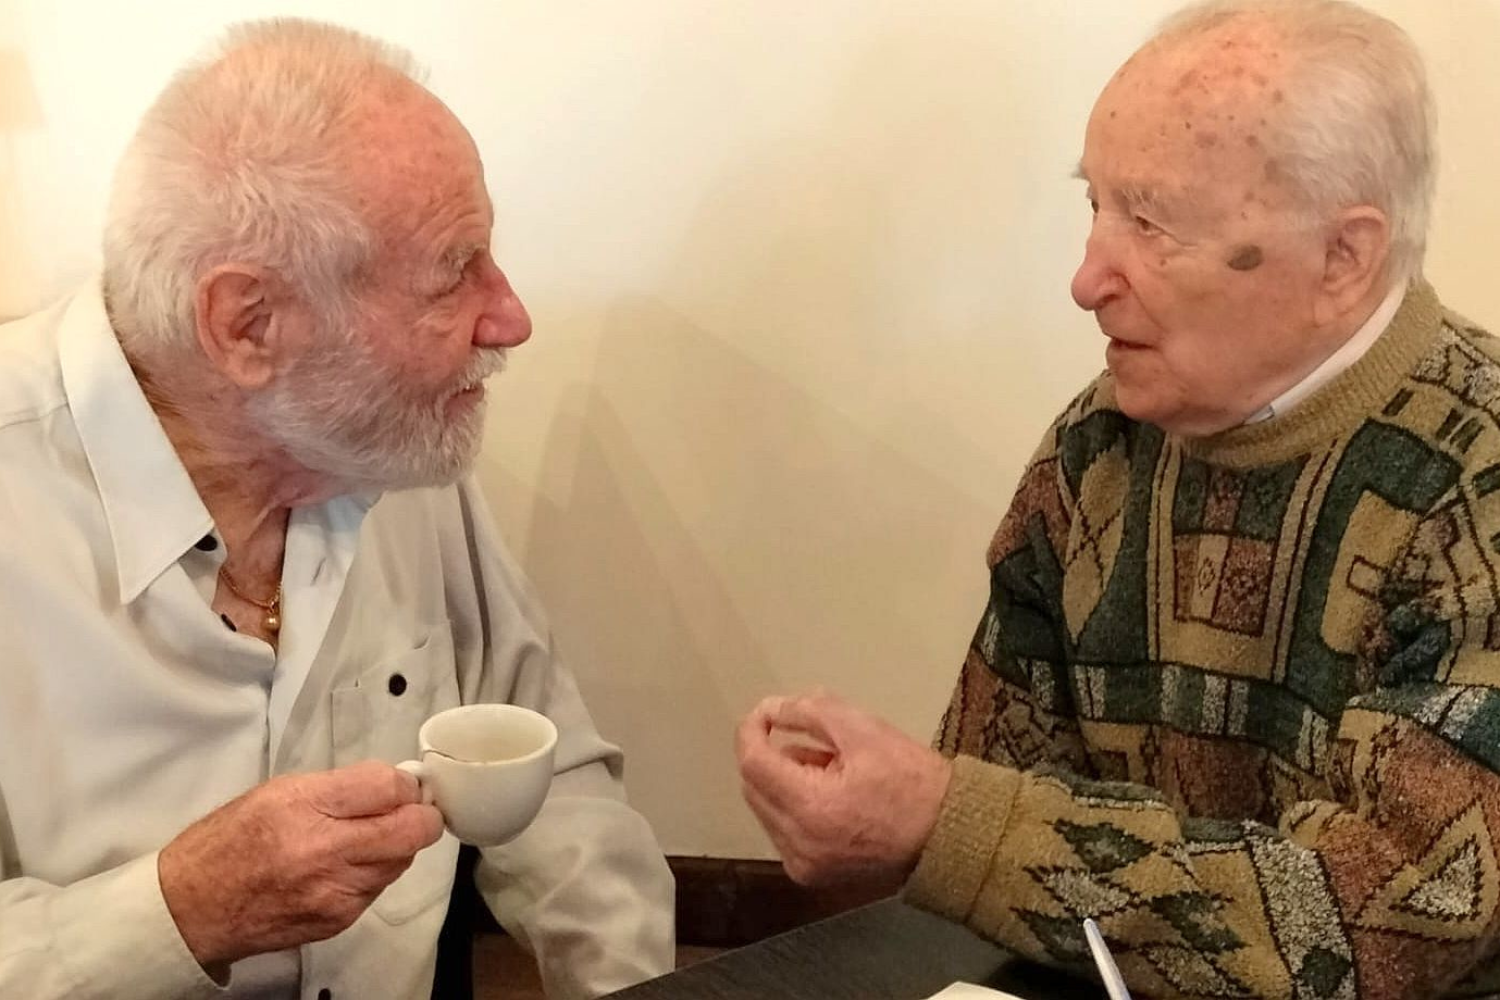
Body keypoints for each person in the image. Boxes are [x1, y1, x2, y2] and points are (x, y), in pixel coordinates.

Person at [738, 1, 1500, 996]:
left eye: (1151, 222)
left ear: (1341, 259)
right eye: (1095, 205)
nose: (1087, 277)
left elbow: (1375, 929)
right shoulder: (1099, 446)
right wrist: (893, 821)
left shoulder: (1478, 481)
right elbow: (1002, 807)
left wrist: (945, 822)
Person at [0, 18, 673, 1000]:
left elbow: (551, 771)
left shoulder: (387, 441)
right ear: (249, 325)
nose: (511, 318)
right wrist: (180, 910)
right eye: (454, 272)